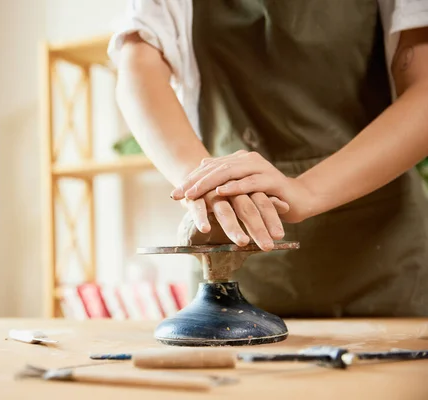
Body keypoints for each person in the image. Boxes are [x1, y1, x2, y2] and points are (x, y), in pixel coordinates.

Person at [108, 0, 428, 317]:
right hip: (236, 259)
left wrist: (306, 190)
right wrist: (206, 184)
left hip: (383, 257)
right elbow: (138, 67)